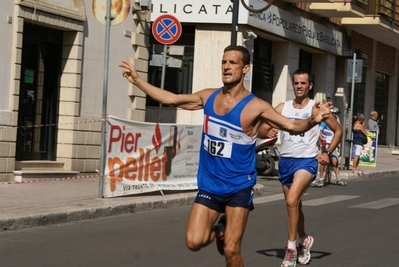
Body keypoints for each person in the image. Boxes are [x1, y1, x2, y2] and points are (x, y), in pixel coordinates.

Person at [119, 46, 332, 267]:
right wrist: (137, 81)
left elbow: (292, 126)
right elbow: (172, 99)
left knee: (231, 250)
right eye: (223, 62)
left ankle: (227, 233)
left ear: (246, 68)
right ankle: (220, 227)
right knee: (194, 241)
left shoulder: (256, 106)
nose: (226, 67)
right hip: (210, 184)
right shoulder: (208, 96)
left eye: (233, 63)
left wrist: (312, 120)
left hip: (238, 186)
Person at [260, 69, 342, 267]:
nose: (299, 86)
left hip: (307, 161)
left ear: (310, 86)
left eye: (303, 83)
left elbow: (338, 130)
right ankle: (304, 239)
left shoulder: (318, 108)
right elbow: (263, 126)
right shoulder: (282, 107)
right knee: (293, 206)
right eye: (296, 83)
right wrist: (268, 130)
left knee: (291, 200)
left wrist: (327, 153)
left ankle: (291, 249)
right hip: (287, 161)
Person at [313, 107, 346, 186]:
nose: (337, 116)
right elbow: (319, 132)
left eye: (337, 114)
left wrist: (337, 144)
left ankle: (338, 179)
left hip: (332, 144)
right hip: (325, 143)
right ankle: (321, 179)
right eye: (336, 114)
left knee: (335, 161)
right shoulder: (325, 122)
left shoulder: (337, 122)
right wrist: (322, 139)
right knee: (323, 162)